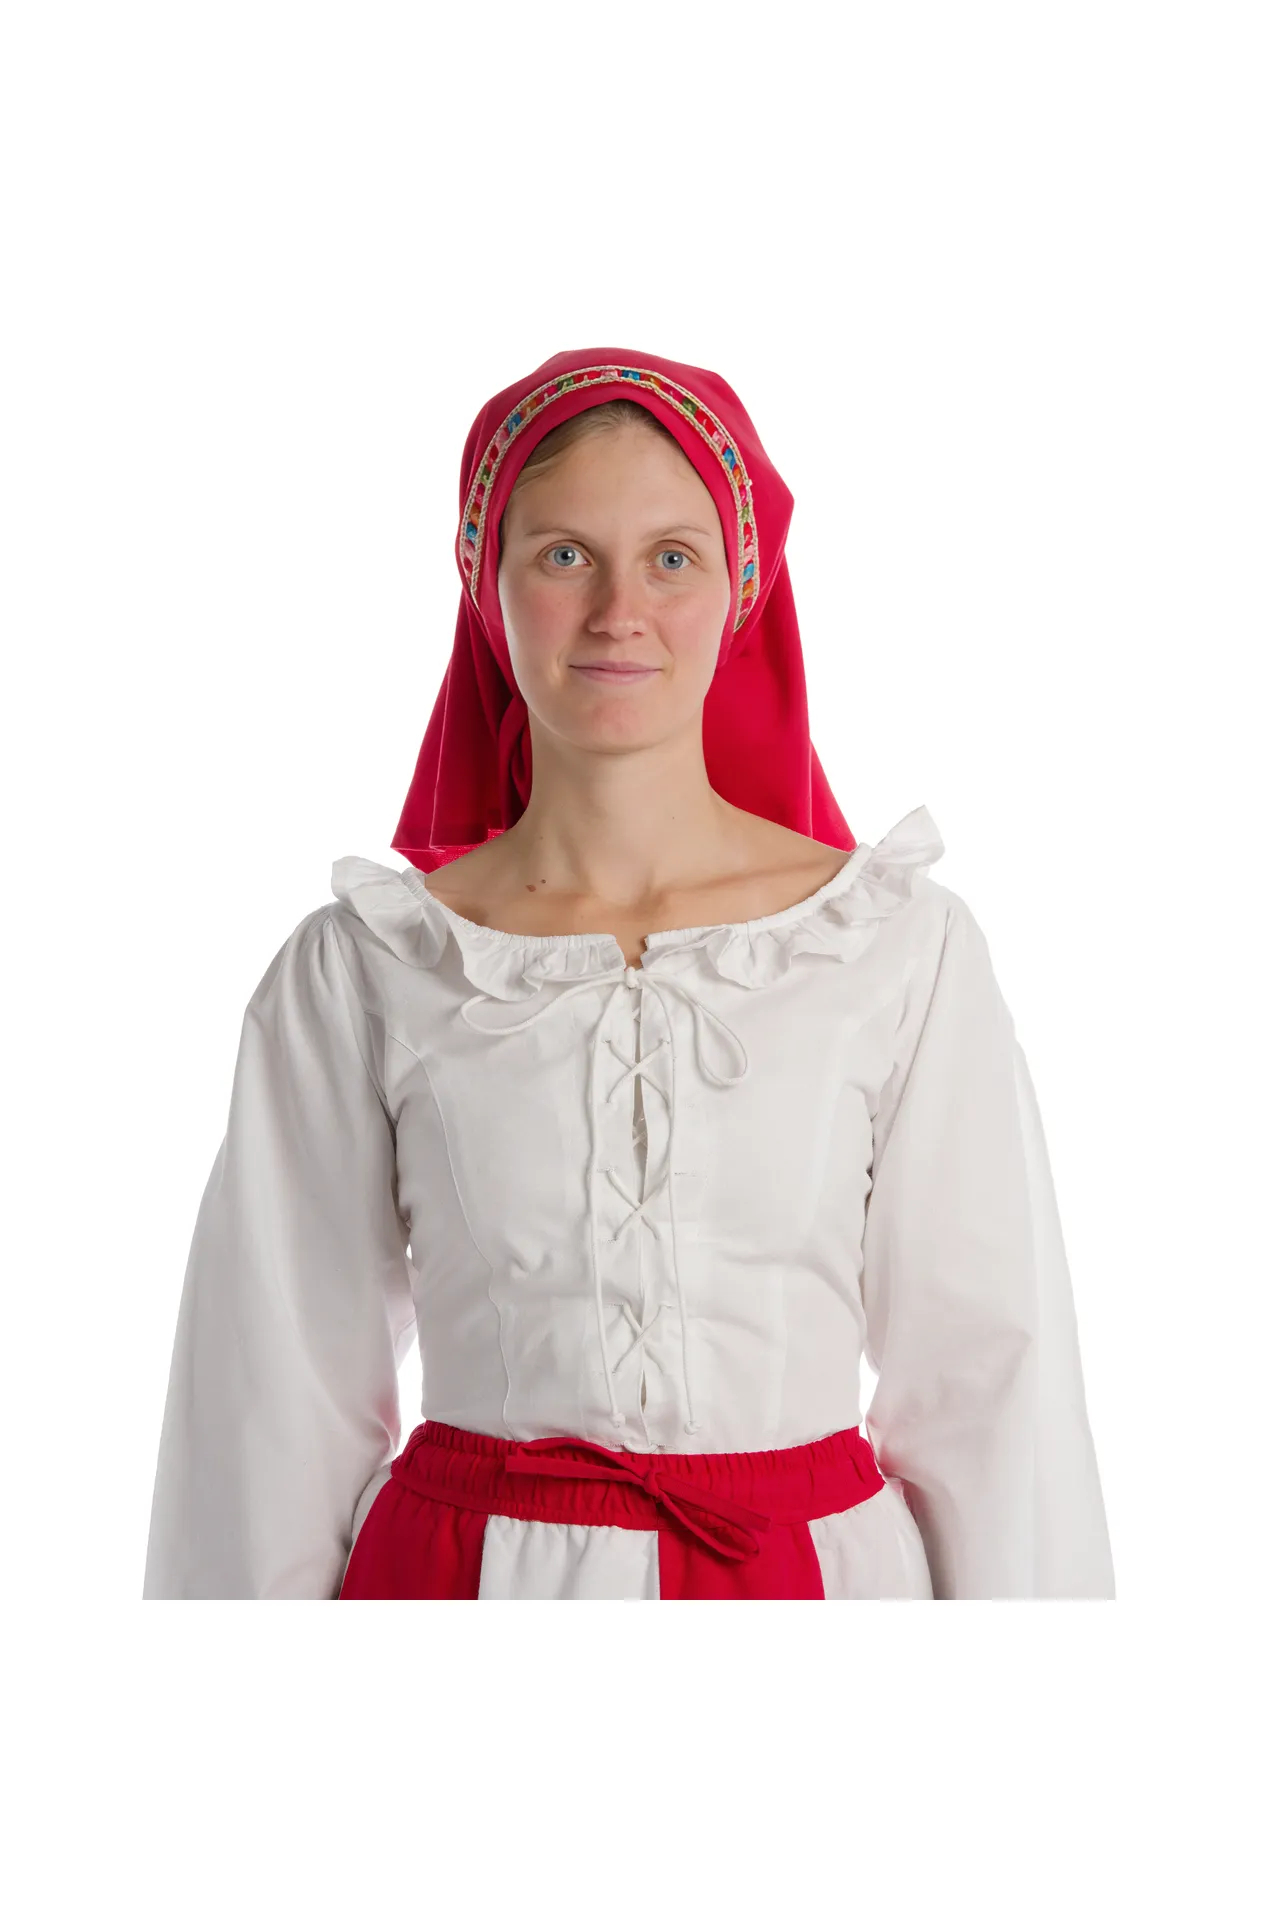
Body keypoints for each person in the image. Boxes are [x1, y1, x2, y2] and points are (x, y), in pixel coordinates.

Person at [142, 347, 1115, 1600]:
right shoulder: (368, 966)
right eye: (564, 555)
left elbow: (990, 1385)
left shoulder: (891, 947)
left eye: (670, 558)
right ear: (484, 579)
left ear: (740, 587)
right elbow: (268, 1401)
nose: (618, 612)